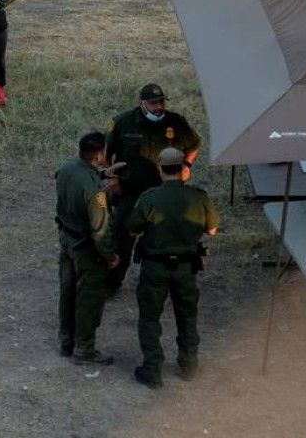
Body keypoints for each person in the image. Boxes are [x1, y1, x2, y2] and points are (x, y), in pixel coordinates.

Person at [125, 147, 219, 389]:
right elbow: (212, 229)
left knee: (150, 317)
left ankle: (153, 369)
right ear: (183, 169)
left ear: (160, 168)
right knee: (187, 314)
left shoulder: (150, 197)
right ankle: (188, 365)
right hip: (186, 267)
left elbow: (131, 229)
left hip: (155, 267)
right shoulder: (199, 196)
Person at [104, 83, 201, 295]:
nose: (159, 107)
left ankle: (164, 283)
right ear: (142, 103)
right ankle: (112, 282)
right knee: (121, 236)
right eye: (153, 103)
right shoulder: (123, 123)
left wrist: (187, 165)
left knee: (165, 239)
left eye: (161, 102)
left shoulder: (175, 122)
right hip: (131, 192)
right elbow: (105, 154)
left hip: (163, 193)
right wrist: (110, 178)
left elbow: (193, 145)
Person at [56, 131, 126, 366]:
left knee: (67, 292)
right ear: (98, 155)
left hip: (66, 239)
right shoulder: (96, 192)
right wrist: (110, 256)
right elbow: (100, 230)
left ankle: (66, 342)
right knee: (89, 298)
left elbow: (77, 179)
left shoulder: (67, 167)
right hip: (86, 249)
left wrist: (102, 174)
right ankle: (84, 348)